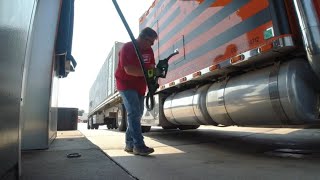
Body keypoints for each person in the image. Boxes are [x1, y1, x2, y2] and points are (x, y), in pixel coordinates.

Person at [115, 27, 158, 156]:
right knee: (134, 113)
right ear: (143, 38)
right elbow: (129, 70)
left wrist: (154, 76)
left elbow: (151, 66)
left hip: (140, 85)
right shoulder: (128, 48)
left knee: (137, 114)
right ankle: (138, 145)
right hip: (126, 84)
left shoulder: (149, 50)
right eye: (151, 42)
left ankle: (129, 144)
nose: (152, 45)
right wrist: (148, 73)